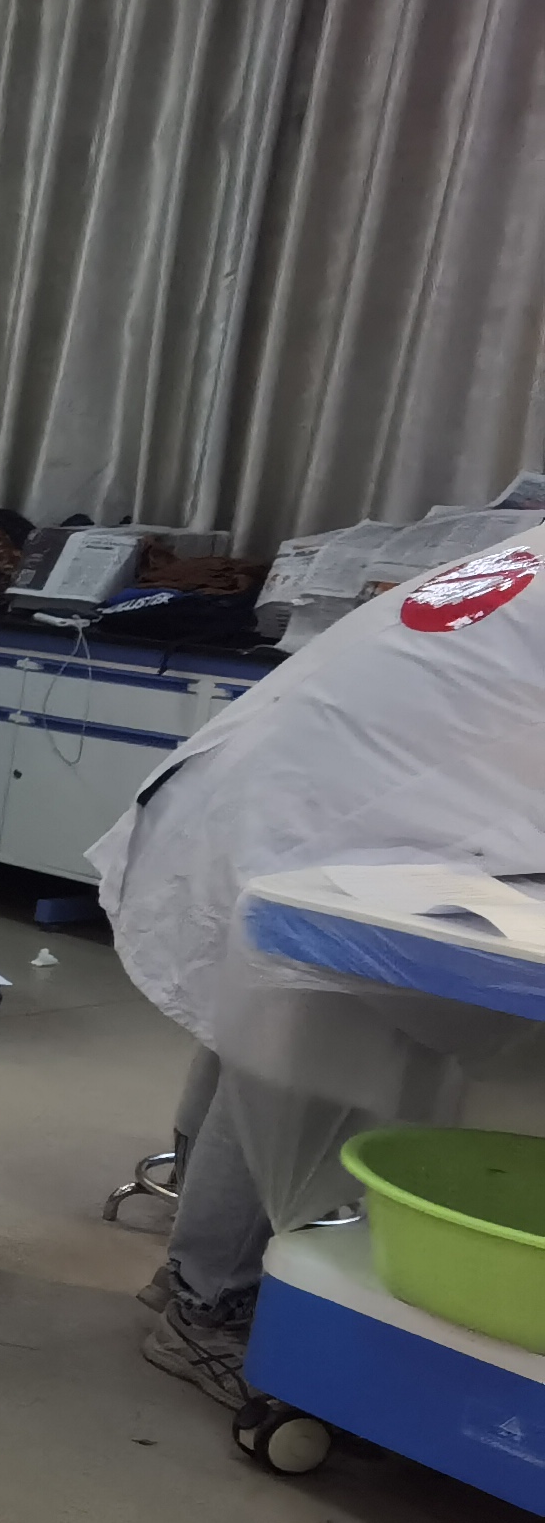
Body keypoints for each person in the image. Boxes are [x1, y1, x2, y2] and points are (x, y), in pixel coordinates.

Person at [89, 518, 545, 1401]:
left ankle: (191, 1274)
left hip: (292, 787)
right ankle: (208, 1305)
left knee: (256, 1034)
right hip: (339, 824)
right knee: (310, 1063)